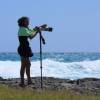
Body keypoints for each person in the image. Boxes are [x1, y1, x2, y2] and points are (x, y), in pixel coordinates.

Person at [17, 16, 39, 87]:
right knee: (24, 65)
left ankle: (27, 80)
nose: (28, 22)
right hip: (23, 49)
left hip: (25, 48)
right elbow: (31, 36)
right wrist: (37, 32)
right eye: (27, 21)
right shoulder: (22, 29)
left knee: (26, 65)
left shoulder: (25, 29)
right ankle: (24, 81)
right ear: (23, 22)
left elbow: (30, 32)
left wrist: (36, 29)